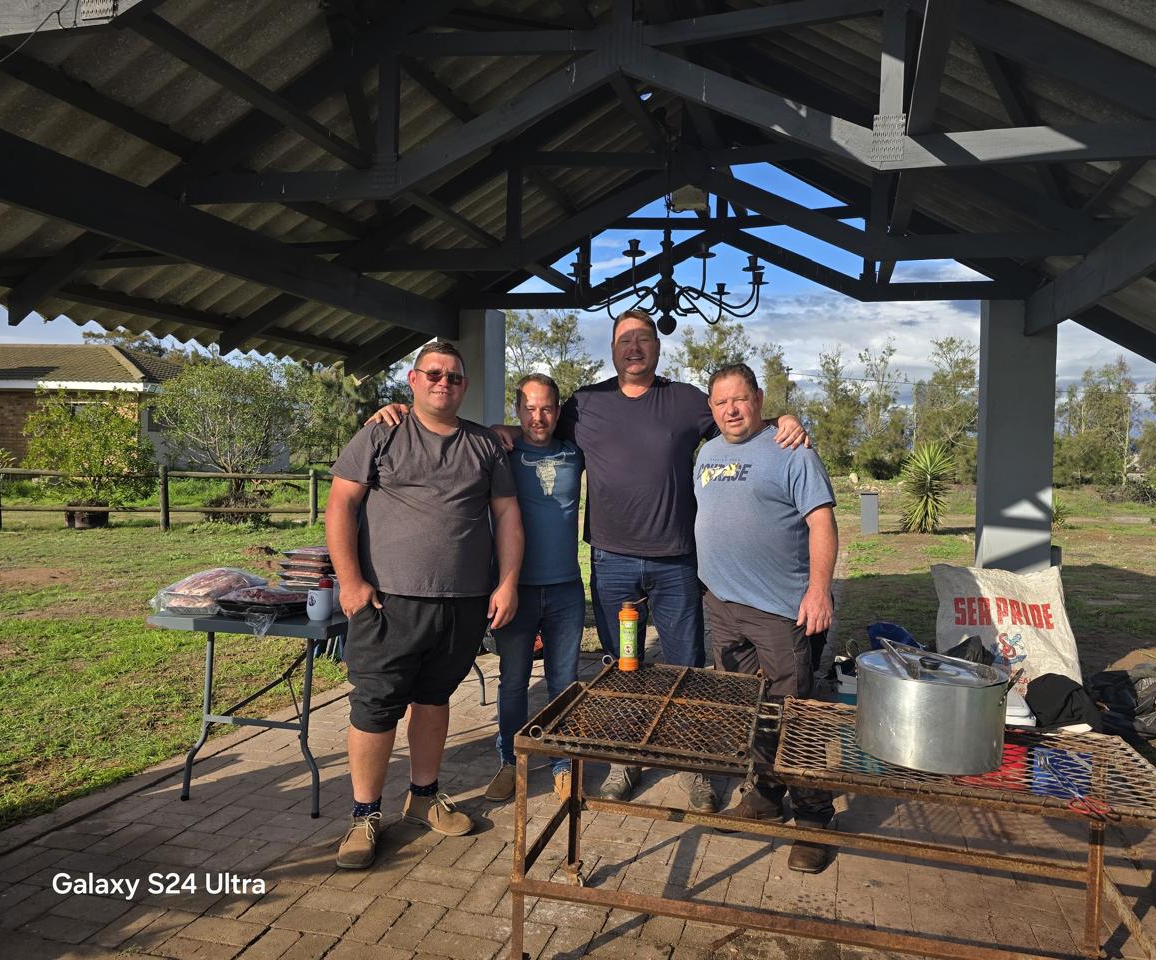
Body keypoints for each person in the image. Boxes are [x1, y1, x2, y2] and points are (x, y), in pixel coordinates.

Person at [369, 308, 807, 813]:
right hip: (612, 562)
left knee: (685, 666)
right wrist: (452, 420)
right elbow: (537, 424)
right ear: (613, 349)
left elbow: (741, 422)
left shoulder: (688, 400)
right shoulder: (586, 403)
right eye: (624, 340)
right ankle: (624, 759)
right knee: (623, 668)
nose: (634, 348)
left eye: (643, 338)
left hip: (676, 563)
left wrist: (784, 421)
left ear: (657, 346)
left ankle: (694, 765)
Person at [327, 340, 524, 870]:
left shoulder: (484, 444)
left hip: (462, 602)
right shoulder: (382, 433)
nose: (444, 382)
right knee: (375, 706)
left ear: (464, 385)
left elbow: (506, 516)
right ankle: (364, 815)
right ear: (413, 380)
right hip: (388, 601)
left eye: (454, 376)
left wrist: (506, 583)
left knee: (435, 698)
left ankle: (423, 796)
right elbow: (341, 503)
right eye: (433, 374)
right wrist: (350, 582)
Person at [693, 362, 839, 874]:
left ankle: (815, 819)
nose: (731, 410)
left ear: (758, 399)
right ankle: (765, 796)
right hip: (723, 607)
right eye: (721, 402)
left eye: (740, 399)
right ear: (711, 409)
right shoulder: (706, 454)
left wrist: (818, 590)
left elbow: (822, 522)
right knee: (750, 708)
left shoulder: (791, 449)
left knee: (795, 714)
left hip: (780, 610)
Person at [482, 373, 585, 805]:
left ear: (558, 412)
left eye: (546, 408)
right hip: (515, 588)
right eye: (529, 408)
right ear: (517, 410)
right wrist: (496, 430)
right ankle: (510, 761)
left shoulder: (575, 452)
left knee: (564, 681)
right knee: (513, 681)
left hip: (565, 589)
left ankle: (562, 762)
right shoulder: (502, 452)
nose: (537, 417)